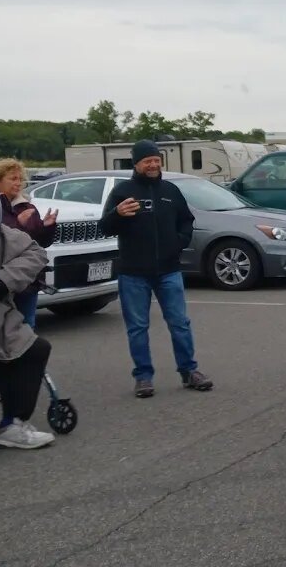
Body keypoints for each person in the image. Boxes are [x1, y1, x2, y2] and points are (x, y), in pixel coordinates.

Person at [99, 140, 213, 398]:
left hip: (169, 270)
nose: (153, 164)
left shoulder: (170, 190)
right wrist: (117, 214)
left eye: (156, 160)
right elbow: (105, 227)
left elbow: (186, 220)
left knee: (179, 323)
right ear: (136, 163)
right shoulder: (123, 192)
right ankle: (143, 377)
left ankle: (189, 371)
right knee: (137, 327)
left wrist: (178, 243)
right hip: (133, 273)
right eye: (147, 161)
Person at [0, 192, 54, 448]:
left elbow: (36, 252)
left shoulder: (4, 236)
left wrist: (2, 280)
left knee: (33, 350)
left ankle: (12, 425)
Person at [0, 158, 58, 327]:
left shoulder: (27, 206)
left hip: (28, 282)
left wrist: (47, 227)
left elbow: (40, 244)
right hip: (0, 281)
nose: (18, 183)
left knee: (27, 327)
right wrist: (18, 224)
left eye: (20, 179)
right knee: (2, 330)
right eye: (12, 179)